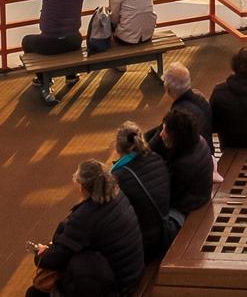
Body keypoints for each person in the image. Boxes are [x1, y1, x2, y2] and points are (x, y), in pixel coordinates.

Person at [26, 160, 144, 297]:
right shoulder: (118, 196)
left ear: (82, 187)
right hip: (132, 272)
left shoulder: (84, 217)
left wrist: (41, 254)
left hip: (117, 286)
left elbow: (56, 259)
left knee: (34, 293)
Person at [23, 0, 85, 104]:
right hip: (73, 41)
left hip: (50, 43)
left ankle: (44, 79)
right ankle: (71, 75)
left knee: (27, 41)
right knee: (71, 34)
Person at [111, 121, 172, 264]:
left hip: (145, 242)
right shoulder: (155, 158)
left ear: (118, 147)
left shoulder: (119, 176)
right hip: (165, 229)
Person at [152, 108, 213, 216]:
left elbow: (169, 197)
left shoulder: (182, 166)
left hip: (190, 207)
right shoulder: (199, 141)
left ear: (176, 135)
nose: (161, 134)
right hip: (203, 195)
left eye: (165, 130)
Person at [150, 63, 213, 146]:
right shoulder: (199, 97)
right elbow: (161, 128)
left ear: (167, 89)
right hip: (206, 151)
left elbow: (156, 144)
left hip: (191, 156)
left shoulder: (178, 114)